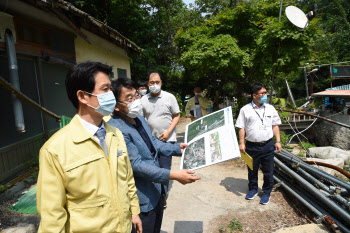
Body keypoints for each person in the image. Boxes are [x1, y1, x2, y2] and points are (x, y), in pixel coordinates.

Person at [36, 62, 142, 233]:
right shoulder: (55, 150)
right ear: (83, 96)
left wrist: (134, 212)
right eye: (105, 89)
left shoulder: (115, 134)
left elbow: (127, 179)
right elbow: (52, 215)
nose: (111, 94)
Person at [108, 78, 200, 233]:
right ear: (116, 106)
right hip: (141, 198)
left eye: (136, 96)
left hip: (156, 191)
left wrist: (178, 149)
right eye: (129, 98)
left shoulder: (140, 119)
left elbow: (154, 144)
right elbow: (136, 165)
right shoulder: (116, 129)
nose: (136, 101)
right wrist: (173, 175)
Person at [235, 82, 282, 205]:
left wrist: (278, 141)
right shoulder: (245, 110)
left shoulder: (270, 108)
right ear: (255, 95)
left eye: (266, 93)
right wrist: (242, 143)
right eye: (263, 93)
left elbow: (275, 125)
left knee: (268, 170)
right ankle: (253, 189)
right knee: (252, 169)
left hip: (267, 145)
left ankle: (266, 192)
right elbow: (241, 127)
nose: (266, 95)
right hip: (251, 145)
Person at [141, 71, 180, 173]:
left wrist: (168, 132)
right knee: (152, 169)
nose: (155, 85)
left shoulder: (169, 97)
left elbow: (176, 115)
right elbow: (141, 120)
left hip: (167, 139)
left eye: (157, 82)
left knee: (164, 169)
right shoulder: (143, 100)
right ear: (148, 83)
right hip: (151, 141)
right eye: (152, 82)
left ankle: (163, 189)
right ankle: (156, 189)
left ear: (161, 82)